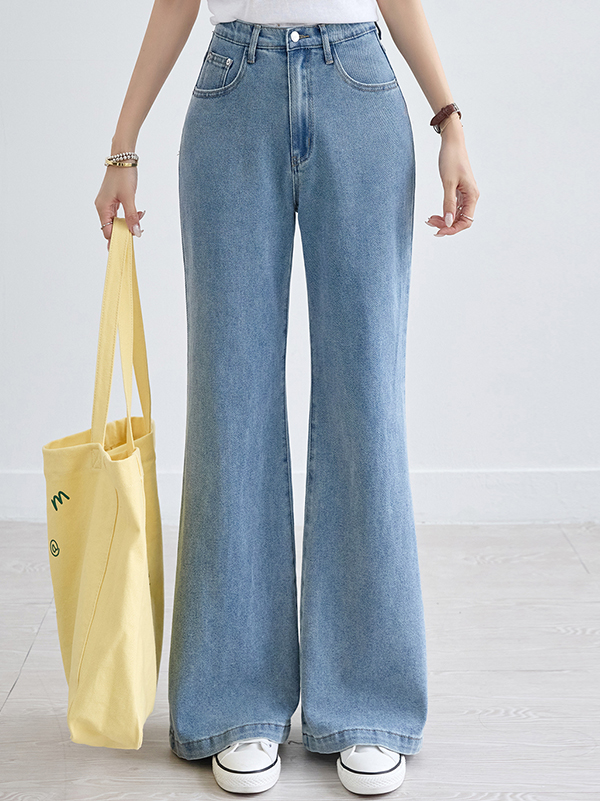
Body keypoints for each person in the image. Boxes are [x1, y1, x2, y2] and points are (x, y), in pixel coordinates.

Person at [95, 0, 479, 795]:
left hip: (360, 88)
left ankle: (368, 702)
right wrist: (123, 145)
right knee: (229, 403)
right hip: (232, 91)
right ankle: (234, 700)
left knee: (366, 402)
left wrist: (451, 121)